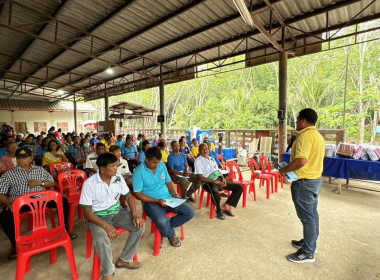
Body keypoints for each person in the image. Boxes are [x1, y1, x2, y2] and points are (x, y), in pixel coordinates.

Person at [0, 147, 77, 260]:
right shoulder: (9, 174)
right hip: (21, 203)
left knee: (64, 201)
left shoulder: (39, 170)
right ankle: (15, 245)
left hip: (42, 200)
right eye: (19, 158)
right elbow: (1, 192)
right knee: (4, 216)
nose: (21, 160)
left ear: (31, 158)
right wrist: (9, 202)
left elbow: (51, 183)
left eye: (24, 157)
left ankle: (65, 230)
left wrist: (39, 183)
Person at [79, 153, 144, 280]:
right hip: (97, 217)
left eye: (116, 165)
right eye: (113, 166)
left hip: (118, 213)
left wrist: (135, 214)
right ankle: (109, 271)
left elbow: (129, 196)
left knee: (140, 226)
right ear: (102, 169)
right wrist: (105, 225)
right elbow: (87, 213)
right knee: (102, 239)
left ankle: (125, 259)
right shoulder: (89, 184)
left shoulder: (118, 178)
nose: (116, 168)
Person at [279, 108, 325, 263]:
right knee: (312, 214)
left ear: (304, 120)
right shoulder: (317, 136)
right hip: (315, 180)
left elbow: (301, 161)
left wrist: (284, 170)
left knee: (307, 218)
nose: (297, 122)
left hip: (305, 183)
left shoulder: (305, 136)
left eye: (298, 119)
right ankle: (310, 243)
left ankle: (308, 252)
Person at [133, 147, 194, 248]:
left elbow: (168, 182)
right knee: (161, 221)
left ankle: (164, 229)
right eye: (154, 162)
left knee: (190, 212)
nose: (156, 165)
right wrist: (157, 201)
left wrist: (174, 194)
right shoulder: (139, 172)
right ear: (146, 159)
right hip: (150, 202)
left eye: (158, 162)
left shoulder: (161, 166)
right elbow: (137, 194)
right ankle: (171, 234)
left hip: (168, 198)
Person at [195, 143, 243, 220]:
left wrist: (222, 178)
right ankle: (218, 210)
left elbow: (217, 171)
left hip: (219, 179)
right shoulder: (198, 161)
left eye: (206, 149)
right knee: (215, 191)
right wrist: (215, 182)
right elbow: (201, 178)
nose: (205, 151)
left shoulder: (212, 159)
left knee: (239, 187)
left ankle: (225, 206)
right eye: (203, 149)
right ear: (199, 150)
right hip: (208, 182)